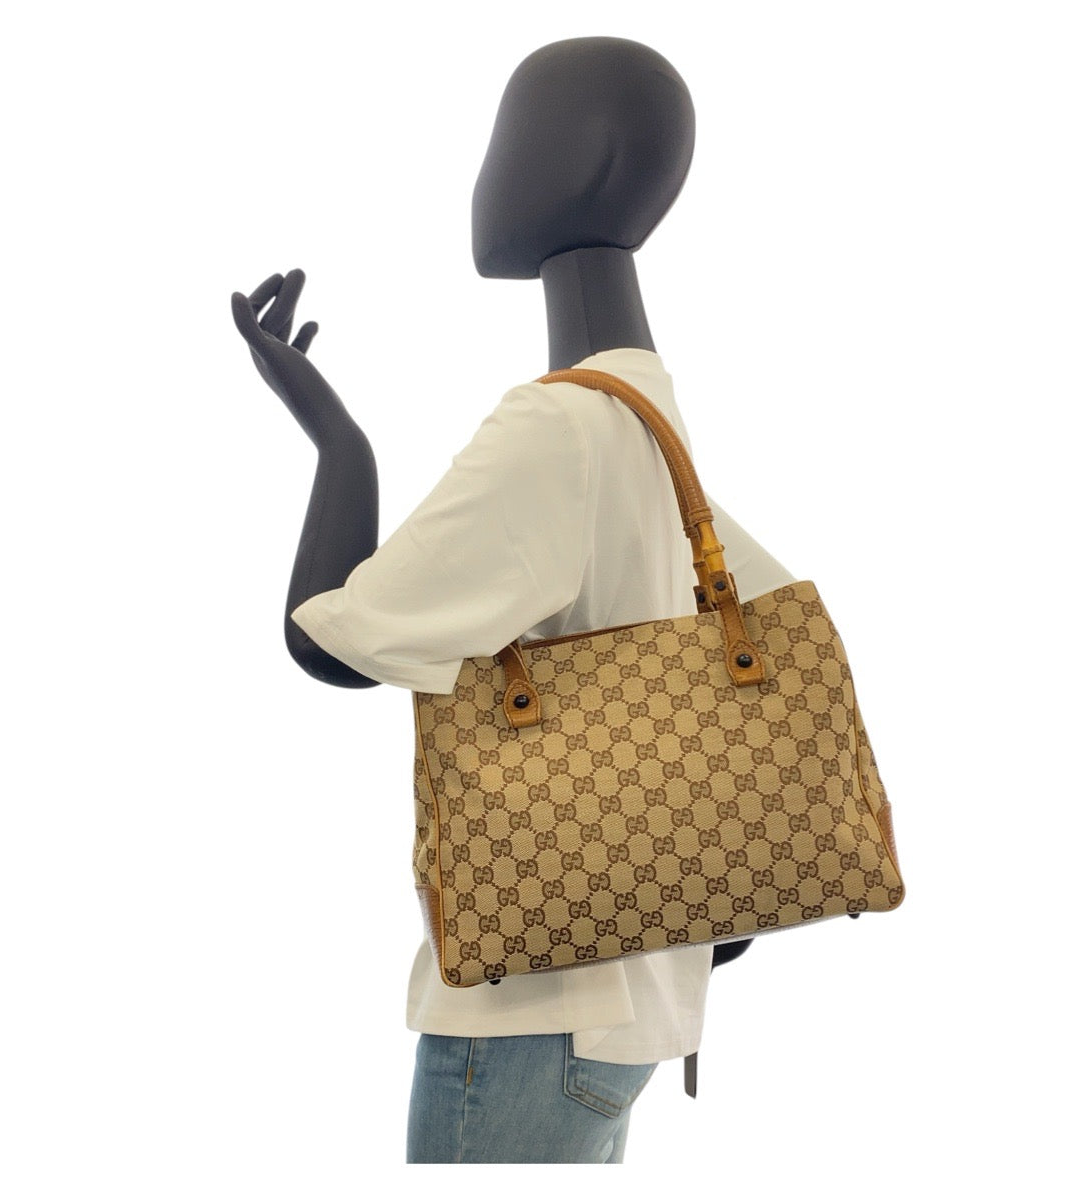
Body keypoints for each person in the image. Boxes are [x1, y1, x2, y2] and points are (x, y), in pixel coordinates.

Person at [231, 37, 795, 1164]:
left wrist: (337, 440)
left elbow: (332, 636)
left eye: (507, 137)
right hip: (640, 1011)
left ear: (590, 161)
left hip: (529, 1015)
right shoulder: (653, 424)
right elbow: (766, 642)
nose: (485, 176)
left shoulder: (562, 426)